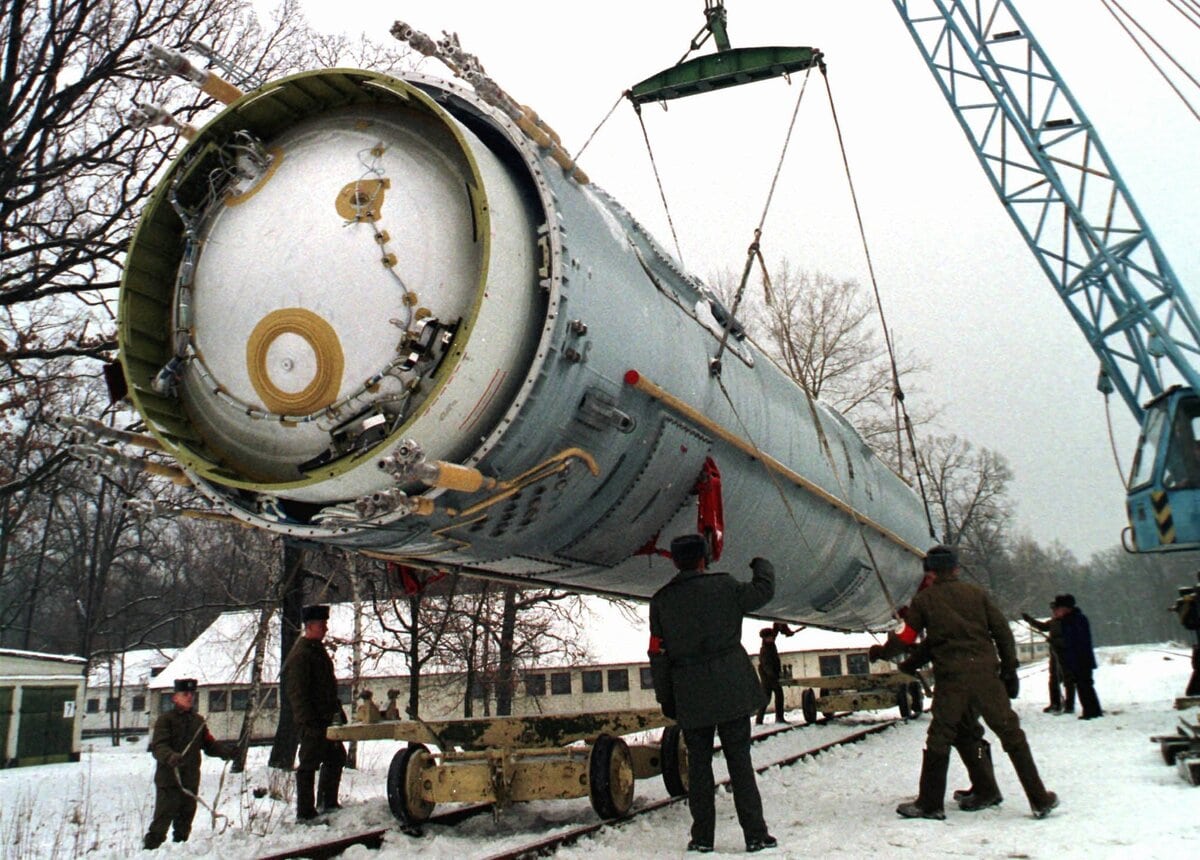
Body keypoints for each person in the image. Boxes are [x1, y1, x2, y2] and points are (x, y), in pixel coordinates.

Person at [887, 545, 1057, 820]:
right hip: (986, 678)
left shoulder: (925, 600)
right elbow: (1002, 632)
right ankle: (1038, 798)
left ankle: (930, 804)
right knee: (1010, 735)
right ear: (955, 568)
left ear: (929, 572)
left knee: (940, 737)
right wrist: (1009, 670)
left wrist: (883, 653)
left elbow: (907, 638)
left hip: (952, 681)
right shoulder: (976, 594)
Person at [648, 534, 777, 853]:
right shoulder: (726, 586)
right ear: (704, 558)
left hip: (690, 693)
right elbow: (763, 591)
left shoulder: (662, 601)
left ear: (676, 562)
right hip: (731, 688)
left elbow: (657, 654)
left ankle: (703, 838)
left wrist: (667, 697)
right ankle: (756, 835)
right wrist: (762, 565)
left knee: (699, 769)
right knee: (740, 764)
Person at [143, 678, 235, 849]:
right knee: (161, 822)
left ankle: (180, 852)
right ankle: (149, 852)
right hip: (169, 781)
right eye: (185, 694)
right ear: (175, 697)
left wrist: (227, 752)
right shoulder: (165, 720)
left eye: (192, 694)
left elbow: (209, 744)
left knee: (185, 823)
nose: (190, 697)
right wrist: (170, 757)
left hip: (190, 781)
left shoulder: (198, 721)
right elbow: (158, 746)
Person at [283, 604, 348, 822]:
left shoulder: (316, 650)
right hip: (312, 722)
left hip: (326, 720)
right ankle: (305, 811)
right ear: (310, 626)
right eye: (322, 624)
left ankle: (328, 802)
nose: (325, 628)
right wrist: (307, 723)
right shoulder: (302, 654)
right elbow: (297, 693)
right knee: (309, 764)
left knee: (336, 757)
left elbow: (328, 687)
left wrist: (338, 712)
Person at [1021, 601, 1075, 714]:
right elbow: (1043, 627)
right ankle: (1055, 704)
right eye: (1053, 610)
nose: (1054, 612)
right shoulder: (1054, 622)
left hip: (1066, 655)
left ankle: (1069, 706)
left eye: (1056, 610)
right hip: (1054, 655)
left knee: (1068, 680)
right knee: (1053, 680)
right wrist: (1029, 620)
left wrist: (1055, 641)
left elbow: (1070, 640)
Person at [1056, 594, 1103, 719]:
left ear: (1066, 608)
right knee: (1085, 685)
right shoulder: (1074, 619)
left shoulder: (1074, 620)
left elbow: (1075, 641)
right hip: (1080, 659)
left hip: (1080, 659)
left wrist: (1059, 643)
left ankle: (1090, 711)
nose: (1057, 611)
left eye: (1059, 608)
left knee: (1084, 686)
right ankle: (1093, 710)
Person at [755, 622, 795, 725]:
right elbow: (767, 666)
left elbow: (777, 625)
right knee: (771, 696)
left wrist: (787, 632)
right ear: (765, 638)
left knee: (769, 697)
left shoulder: (770, 643)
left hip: (772, 674)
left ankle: (762, 720)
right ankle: (774, 718)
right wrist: (775, 676)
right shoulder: (765, 650)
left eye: (772, 637)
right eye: (770, 637)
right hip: (768, 676)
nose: (772, 638)